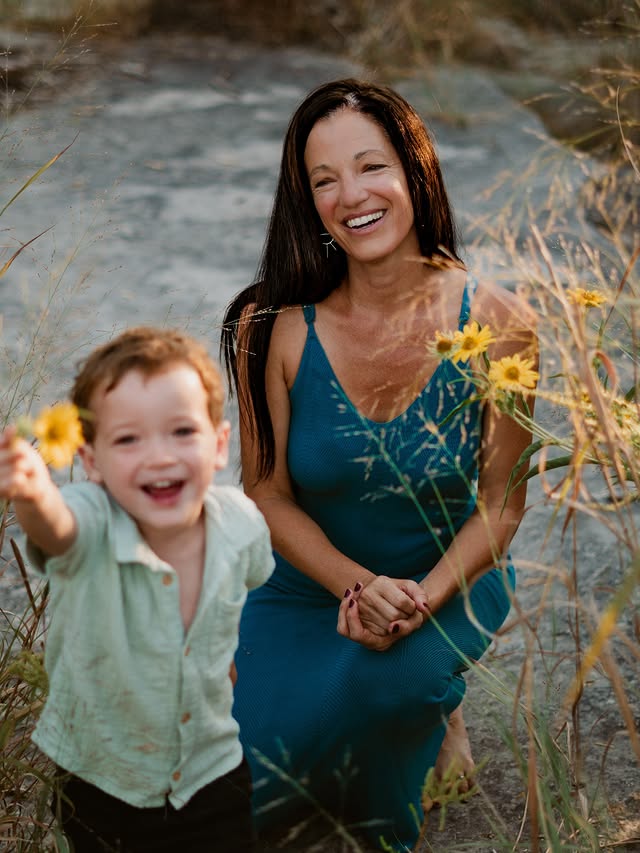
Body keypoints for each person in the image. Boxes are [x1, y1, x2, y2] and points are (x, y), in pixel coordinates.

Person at [221, 78, 537, 851]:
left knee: (376, 697)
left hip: (446, 581)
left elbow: (502, 506)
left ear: (415, 171)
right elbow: (263, 490)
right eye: (323, 180)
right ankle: (416, 705)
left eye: (369, 167)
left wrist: (417, 601)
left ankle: (431, 703)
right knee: (252, 797)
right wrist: (358, 590)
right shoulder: (274, 327)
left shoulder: (500, 323)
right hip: (312, 589)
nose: (349, 195)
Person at [0, 326, 275, 853]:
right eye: (128, 439)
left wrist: (223, 655)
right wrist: (32, 492)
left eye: (181, 432)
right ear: (91, 461)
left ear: (218, 445)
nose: (159, 457)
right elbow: (57, 528)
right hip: (103, 779)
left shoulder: (242, 526)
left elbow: (243, 593)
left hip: (211, 766)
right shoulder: (93, 520)